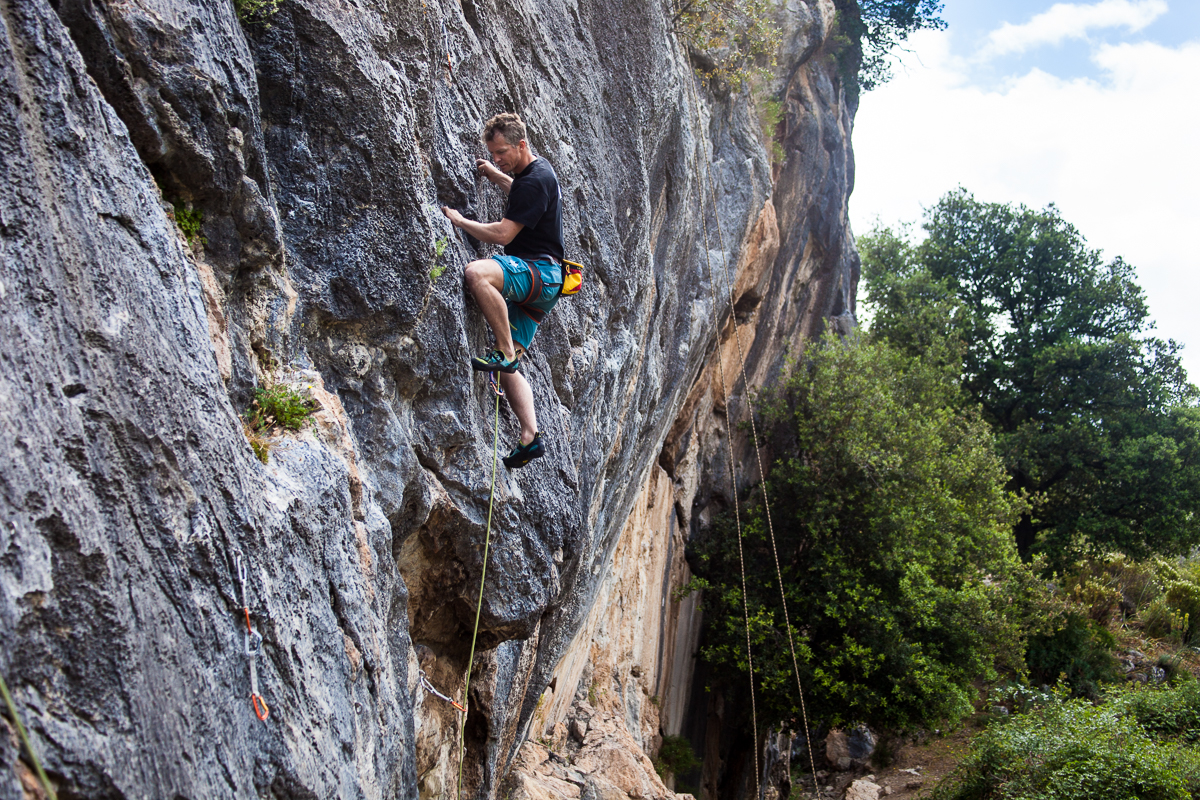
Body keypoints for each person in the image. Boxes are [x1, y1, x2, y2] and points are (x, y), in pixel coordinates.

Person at [441, 113, 564, 469]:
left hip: (536, 272)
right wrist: (497, 175)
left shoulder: (535, 178)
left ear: (521, 145)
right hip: (547, 286)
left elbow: (503, 235)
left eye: (502, 153)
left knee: (477, 273)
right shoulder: (538, 173)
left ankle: (505, 350)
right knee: (510, 369)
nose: (498, 159)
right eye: (493, 154)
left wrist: (462, 222)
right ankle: (530, 436)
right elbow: (524, 194)